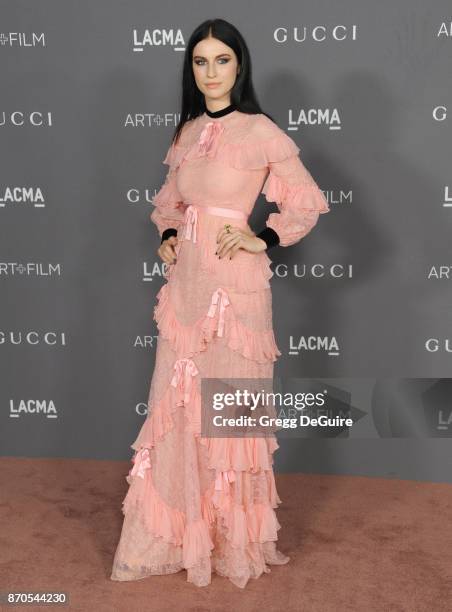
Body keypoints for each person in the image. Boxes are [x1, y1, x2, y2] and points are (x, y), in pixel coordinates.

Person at [110, 18, 330, 589]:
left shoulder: (260, 131)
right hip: (186, 285)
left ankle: (233, 543)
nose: (210, 72)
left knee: (233, 413)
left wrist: (266, 236)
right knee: (178, 407)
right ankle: (179, 534)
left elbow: (305, 200)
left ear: (240, 65)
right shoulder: (184, 134)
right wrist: (167, 236)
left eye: (221, 60)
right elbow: (169, 205)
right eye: (200, 62)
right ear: (192, 69)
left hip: (237, 285)